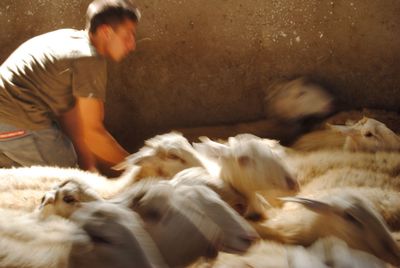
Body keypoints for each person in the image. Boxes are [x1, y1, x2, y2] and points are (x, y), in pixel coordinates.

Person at [0, 0, 140, 173]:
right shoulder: (89, 58)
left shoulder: (68, 38)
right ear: (106, 32)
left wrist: (88, 166)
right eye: (128, 36)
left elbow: (72, 119)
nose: (132, 45)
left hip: (9, 124)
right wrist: (140, 168)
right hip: (16, 123)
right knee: (68, 185)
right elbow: (93, 132)